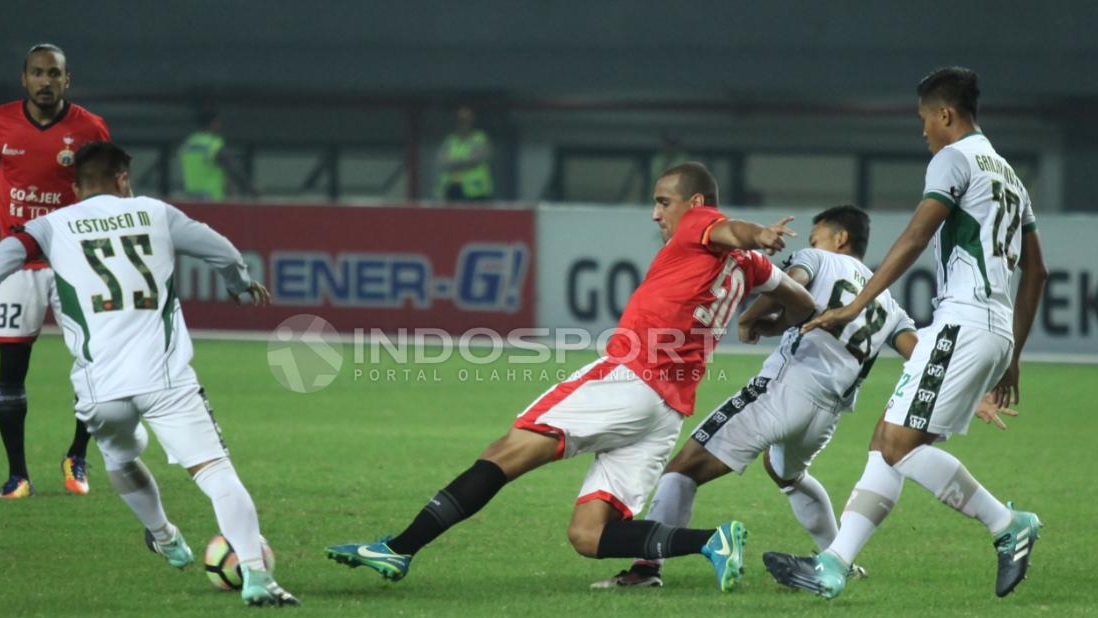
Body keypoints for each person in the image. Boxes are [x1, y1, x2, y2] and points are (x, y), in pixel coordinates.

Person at [327, 162, 815, 590]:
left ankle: (399, 547)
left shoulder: (698, 226)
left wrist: (759, 233)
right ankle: (713, 541)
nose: (656, 214)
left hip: (630, 378)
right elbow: (803, 301)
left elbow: (731, 230)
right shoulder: (750, 268)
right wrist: (763, 320)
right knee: (588, 535)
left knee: (505, 452)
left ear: (695, 203)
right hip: (665, 413)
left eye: (662, 202)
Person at [0, 141, 299, 607]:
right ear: (123, 179)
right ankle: (256, 577)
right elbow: (222, 250)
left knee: (122, 460)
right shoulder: (156, 213)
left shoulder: (52, 226)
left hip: (100, 387)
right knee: (214, 473)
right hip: (165, 380)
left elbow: (2, 258)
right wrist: (240, 286)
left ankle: (164, 537)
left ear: (74, 186)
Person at [592, 206, 1014, 589]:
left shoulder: (819, 259)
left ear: (839, 239)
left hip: (785, 390)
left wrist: (753, 317)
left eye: (816, 238)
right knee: (786, 474)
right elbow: (917, 354)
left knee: (683, 469)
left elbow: (790, 286)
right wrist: (972, 394)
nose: (810, 246)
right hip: (825, 417)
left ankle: (646, 567)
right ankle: (837, 556)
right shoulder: (885, 300)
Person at [763, 66, 1049, 599]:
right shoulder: (1009, 174)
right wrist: (1013, 357)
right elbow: (1037, 272)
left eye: (924, 120)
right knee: (886, 440)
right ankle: (833, 565)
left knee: (897, 443)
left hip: (961, 322)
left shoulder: (954, 158)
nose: (923, 132)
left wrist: (857, 306)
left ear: (946, 115)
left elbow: (917, 236)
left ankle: (1008, 525)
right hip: (991, 330)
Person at [0, 43, 111, 499]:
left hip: (74, 266)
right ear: (24, 79)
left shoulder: (90, 128)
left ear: (66, 80)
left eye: (54, 74)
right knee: (11, 372)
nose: (45, 82)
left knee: (97, 366)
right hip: (18, 266)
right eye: (37, 73)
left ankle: (77, 455)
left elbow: (113, 190)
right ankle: (18, 476)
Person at [178, 108, 257, 201]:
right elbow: (233, 169)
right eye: (219, 122)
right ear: (213, 123)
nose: (220, 125)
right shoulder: (213, 144)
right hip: (212, 199)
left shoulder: (188, 144)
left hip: (190, 198)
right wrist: (252, 189)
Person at [437, 106, 494, 202]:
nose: (463, 123)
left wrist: (453, 163)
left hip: (476, 192)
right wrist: (465, 161)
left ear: (472, 121)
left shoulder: (480, 139)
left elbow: (476, 160)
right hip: (451, 190)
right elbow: (442, 162)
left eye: (466, 120)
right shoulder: (450, 140)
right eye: (460, 120)